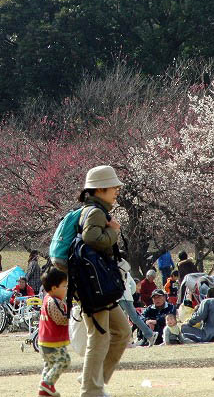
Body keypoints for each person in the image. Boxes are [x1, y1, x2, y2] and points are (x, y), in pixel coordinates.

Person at [77, 165, 130, 397]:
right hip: (94, 285)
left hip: (98, 285)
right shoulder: (96, 212)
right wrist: (113, 232)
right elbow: (91, 239)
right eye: (113, 186)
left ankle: (94, 381)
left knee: (121, 332)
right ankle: (90, 390)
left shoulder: (95, 210)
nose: (117, 190)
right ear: (100, 189)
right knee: (99, 336)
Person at [37, 268, 70, 397]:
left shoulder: (47, 299)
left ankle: (44, 390)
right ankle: (46, 383)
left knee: (49, 365)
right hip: (52, 342)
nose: (66, 289)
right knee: (64, 360)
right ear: (54, 287)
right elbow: (60, 319)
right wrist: (72, 317)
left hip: (44, 341)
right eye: (64, 286)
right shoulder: (53, 301)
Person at [118, 272, 158, 347]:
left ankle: (150, 334)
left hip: (122, 298)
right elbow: (133, 285)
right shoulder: (127, 272)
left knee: (132, 318)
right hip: (126, 298)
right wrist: (130, 293)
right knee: (127, 319)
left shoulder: (114, 270)